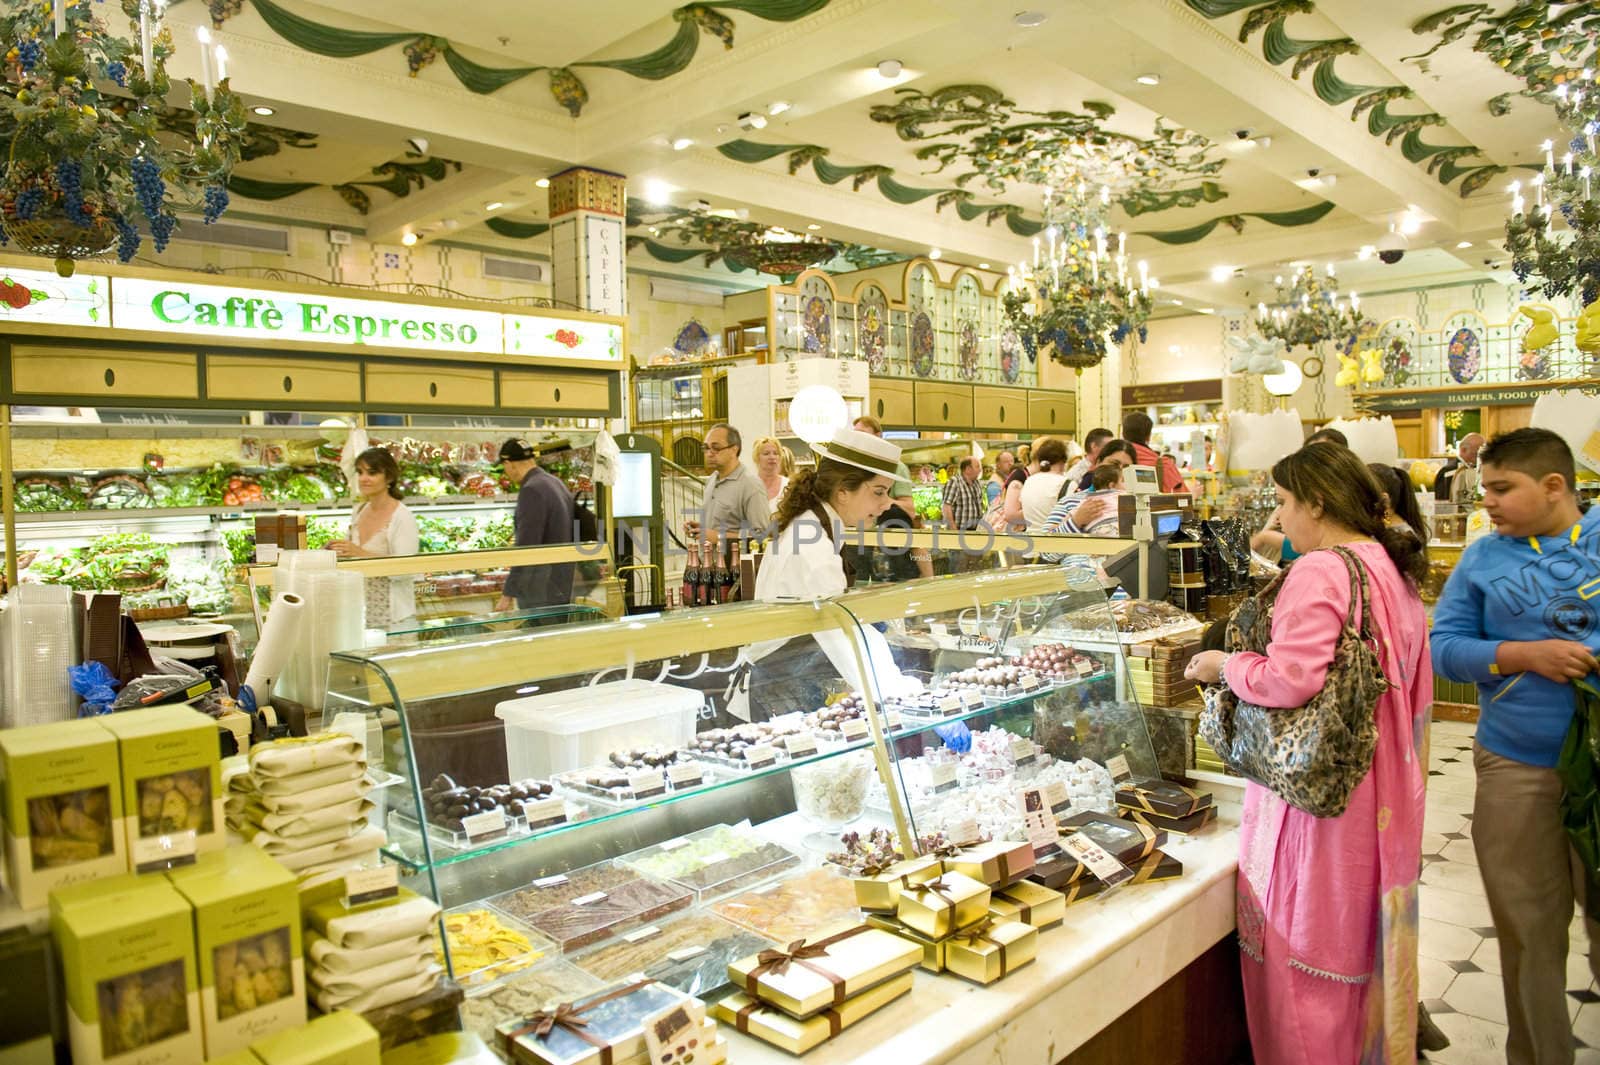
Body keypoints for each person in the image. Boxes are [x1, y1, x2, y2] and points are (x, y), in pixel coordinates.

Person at [1185, 441, 1430, 1065]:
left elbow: (1290, 679)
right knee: (1355, 953)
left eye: (1286, 502)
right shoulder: (1386, 563)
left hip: (1320, 799)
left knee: (1306, 959)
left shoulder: (1322, 569)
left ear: (1318, 504)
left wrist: (1223, 664)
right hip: (1378, 783)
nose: (1281, 516)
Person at [1431, 428, 1600, 1065]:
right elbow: (1442, 648)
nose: (1489, 503)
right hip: (1516, 764)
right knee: (1528, 932)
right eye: (1485, 490)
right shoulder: (1482, 558)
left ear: (1553, 486)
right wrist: (1522, 654)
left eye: (1502, 488)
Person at [749, 427, 915, 711]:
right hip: (781, 688)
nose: (887, 504)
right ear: (842, 491)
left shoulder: (812, 524)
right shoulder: (813, 545)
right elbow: (842, 636)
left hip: (786, 680)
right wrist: (903, 698)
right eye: (879, 492)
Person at [328, 446, 419, 628]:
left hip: (392, 617)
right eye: (360, 472)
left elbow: (405, 570)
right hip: (359, 612)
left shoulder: (401, 517)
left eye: (372, 473)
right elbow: (353, 556)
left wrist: (359, 552)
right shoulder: (359, 511)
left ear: (389, 478)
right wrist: (336, 551)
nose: (363, 479)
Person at [495, 438, 576, 612]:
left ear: (509, 464)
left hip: (540, 590)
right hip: (562, 582)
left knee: (537, 638)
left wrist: (508, 593)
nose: (506, 472)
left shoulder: (531, 489)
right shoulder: (555, 483)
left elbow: (527, 547)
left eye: (504, 467)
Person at [854, 415, 931, 579]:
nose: (858, 439)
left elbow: (910, 509)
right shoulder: (854, 467)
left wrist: (884, 499)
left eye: (863, 434)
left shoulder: (896, 468)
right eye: (855, 434)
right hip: (858, 541)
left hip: (888, 547)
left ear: (878, 436)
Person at [687, 423, 770, 542]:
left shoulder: (750, 485)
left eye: (716, 448)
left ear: (734, 450)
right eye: (706, 448)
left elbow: (763, 537)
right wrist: (702, 530)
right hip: (708, 559)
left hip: (734, 560)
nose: (709, 453)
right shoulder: (712, 480)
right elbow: (718, 529)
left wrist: (719, 537)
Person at [1043, 440, 1138, 538]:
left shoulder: (1140, 502)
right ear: (1098, 463)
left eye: (1126, 468)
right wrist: (1076, 520)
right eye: (1114, 464)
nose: (1120, 471)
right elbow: (1045, 546)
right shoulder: (1069, 503)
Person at [1122, 411, 1188, 493]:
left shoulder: (1112, 460)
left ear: (1123, 434)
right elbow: (1183, 498)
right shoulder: (1164, 465)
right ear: (1149, 436)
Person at [942, 456, 986, 572]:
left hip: (975, 534)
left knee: (974, 569)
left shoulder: (977, 484)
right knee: (959, 568)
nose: (980, 470)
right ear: (967, 469)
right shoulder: (954, 482)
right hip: (959, 533)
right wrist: (954, 530)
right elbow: (947, 507)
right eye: (977, 467)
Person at [1017, 438, 1070, 530]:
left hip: (1031, 537)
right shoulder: (1067, 483)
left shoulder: (1029, 481)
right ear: (1063, 460)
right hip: (1057, 539)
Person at [1448, 432, 1486, 507]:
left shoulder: (1479, 470)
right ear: (1463, 450)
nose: (1480, 460)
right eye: (1476, 454)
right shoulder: (1447, 472)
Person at [752, 435, 789, 505]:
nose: (772, 457)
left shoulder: (788, 485)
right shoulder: (749, 485)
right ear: (757, 457)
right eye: (766, 454)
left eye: (775, 453)